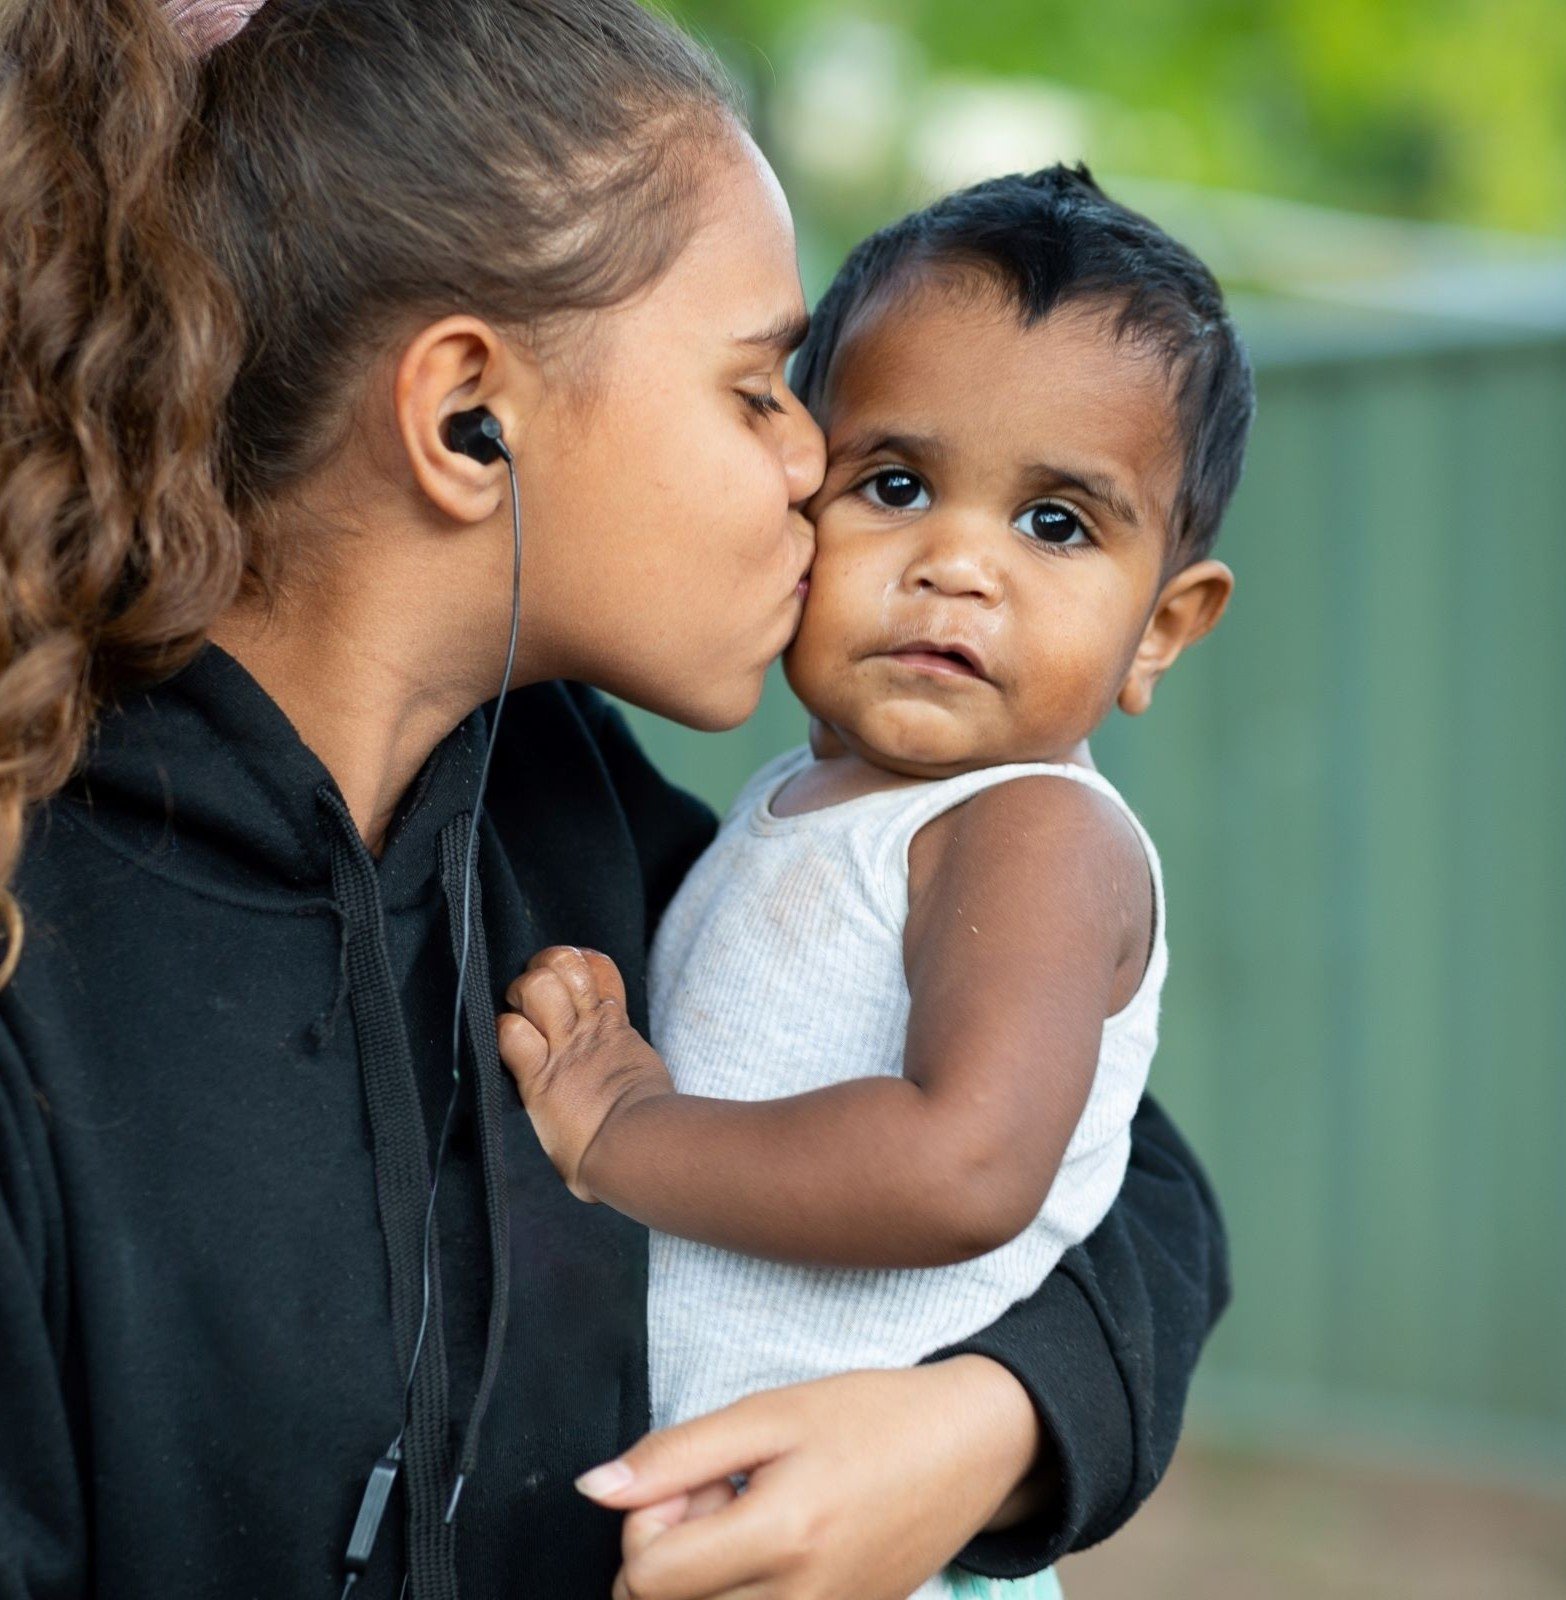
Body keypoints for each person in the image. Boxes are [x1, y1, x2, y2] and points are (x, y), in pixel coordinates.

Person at [0, 3, 1230, 1598]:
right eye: (756, 388)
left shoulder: (560, 810)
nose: (818, 465)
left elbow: (1106, 1170)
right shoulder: (47, 952)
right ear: (467, 419)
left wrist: (979, 1429)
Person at [499, 163, 1251, 1600]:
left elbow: (963, 1165)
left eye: (1057, 525)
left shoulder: (1036, 834)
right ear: (802, 504)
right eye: (896, 486)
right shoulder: (811, 804)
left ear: (1162, 631)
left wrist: (622, 1127)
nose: (956, 564)